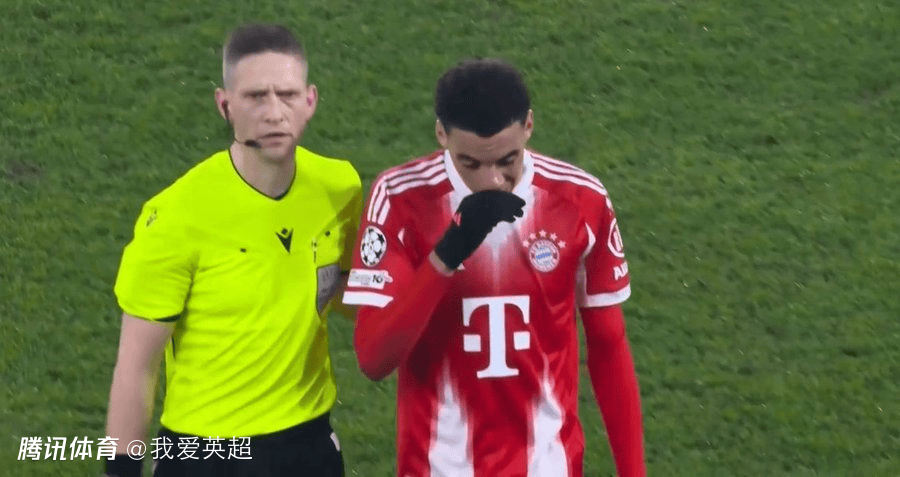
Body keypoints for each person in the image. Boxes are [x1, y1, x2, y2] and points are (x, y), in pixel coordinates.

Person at [342, 58, 646, 476]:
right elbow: (374, 358)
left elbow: (609, 346)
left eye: (507, 160)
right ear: (441, 134)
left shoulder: (580, 199)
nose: (491, 181)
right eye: (470, 164)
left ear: (529, 126)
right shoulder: (399, 199)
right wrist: (447, 255)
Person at [103, 23, 361, 477]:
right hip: (207, 454)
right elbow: (137, 367)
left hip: (310, 445)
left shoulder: (339, 188)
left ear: (310, 101)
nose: (274, 113)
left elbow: (343, 287)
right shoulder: (176, 216)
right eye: (256, 97)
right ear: (225, 105)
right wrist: (120, 472)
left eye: (287, 95)